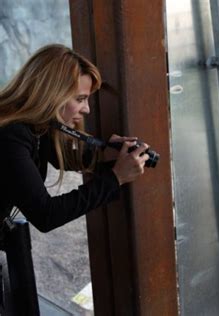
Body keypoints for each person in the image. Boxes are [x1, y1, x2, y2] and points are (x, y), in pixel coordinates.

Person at [0, 43, 150, 233]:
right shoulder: (10, 135)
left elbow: (59, 155)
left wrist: (105, 153)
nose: (87, 109)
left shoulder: (35, 125)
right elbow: (46, 214)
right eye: (80, 99)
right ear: (52, 95)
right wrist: (116, 177)